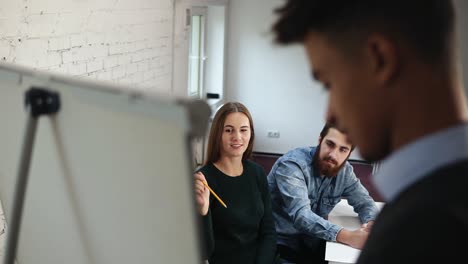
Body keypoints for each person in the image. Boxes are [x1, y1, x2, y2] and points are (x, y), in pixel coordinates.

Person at [271, 0, 468, 263]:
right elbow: (301, 216)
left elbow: (363, 203)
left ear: (380, 59)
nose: (330, 113)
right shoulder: (430, 208)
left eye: (330, 83)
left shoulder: (418, 231)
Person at [268, 123, 379, 264]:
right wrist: (349, 236)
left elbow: (365, 202)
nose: (333, 154)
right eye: (330, 144)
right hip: (281, 243)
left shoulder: (344, 171)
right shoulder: (291, 166)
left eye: (343, 149)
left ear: (349, 153)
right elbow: (301, 216)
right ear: (320, 140)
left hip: (312, 241)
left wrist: (371, 223)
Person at [194, 102, 278, 264]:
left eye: (243, 130)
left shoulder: (257, 172)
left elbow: (268, 231)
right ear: (218, 134)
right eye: (229, 130)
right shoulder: (204, 180)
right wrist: (202, 213)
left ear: (251, 134)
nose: (237, 137)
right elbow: (203, 252)